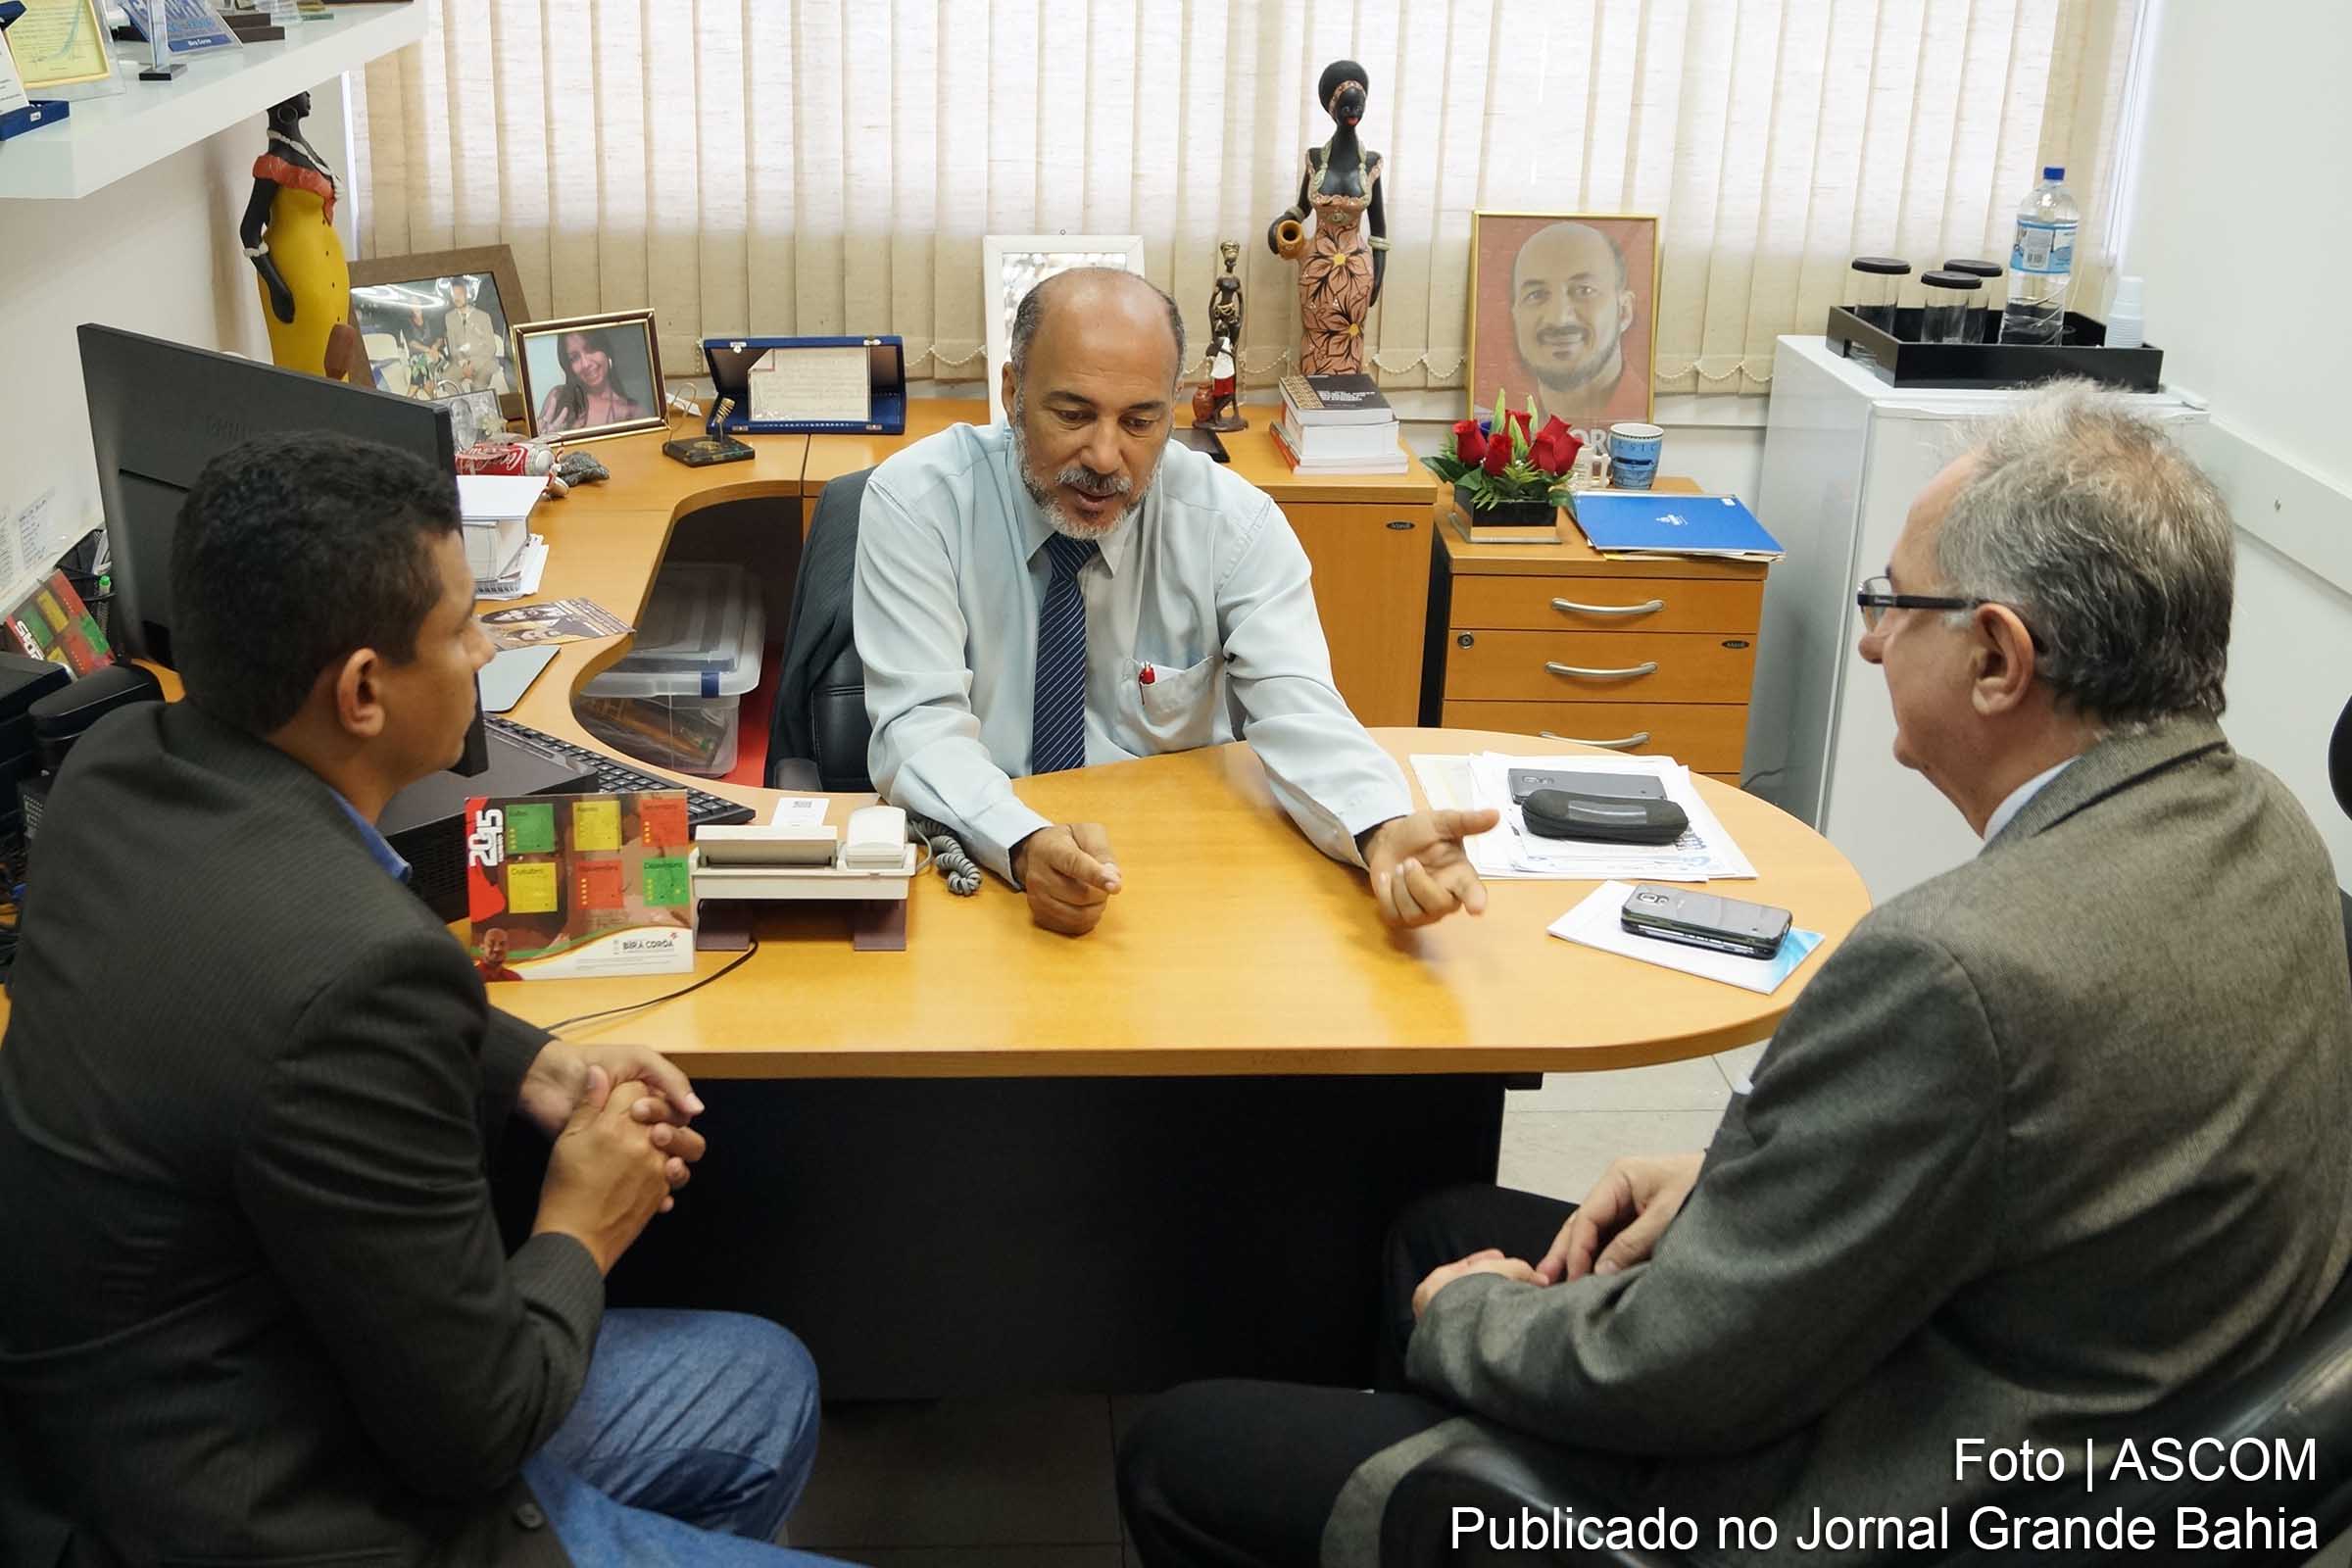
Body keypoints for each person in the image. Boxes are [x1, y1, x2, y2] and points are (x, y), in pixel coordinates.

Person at [1116, 383, 2352, 1564]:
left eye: (1893, 601)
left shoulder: (1959, 970)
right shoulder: (2274, 835)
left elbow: (1674, 1370)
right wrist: (1738, 1176)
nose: (1868, 642)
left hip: (1864, 1495)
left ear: (1998, 659)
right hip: (2075, 1412)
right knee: (1441, 1222)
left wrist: (1469, 1319)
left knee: (1187, 1445)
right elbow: (2052, 1147)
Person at [0, 433, 843, 1567]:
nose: (490, 643)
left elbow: (272, 1005)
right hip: (284, 1514)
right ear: (361, 691)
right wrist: (582, 1223)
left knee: (763, 1381)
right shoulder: (361, 971)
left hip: (127, 1425)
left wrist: (534, 1065)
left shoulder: (112, 768)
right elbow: (478, 1429)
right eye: (463, 625)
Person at [855, 267, 1496, 938]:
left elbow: (1302, 712)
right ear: (1013, 394)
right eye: (1072, 415)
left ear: (1175, 408)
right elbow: (917, 729)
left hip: (1180, 885)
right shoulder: (919, 504)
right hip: (987, 865)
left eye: (1139, 421)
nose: (1105, 456)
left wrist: (1379, 828)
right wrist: (1021, 842)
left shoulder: (1234, 526)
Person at [1506, 220, 1638, 426]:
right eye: (1536, 294)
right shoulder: (1502, 428)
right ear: (1516, 316)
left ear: (1624, 312)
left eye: (1584, 290)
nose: (1558, 319)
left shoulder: (1643, 422)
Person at [539, 329, 651, 432]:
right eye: (574, 358)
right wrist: (542, 441)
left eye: (590, 349)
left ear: (606, 350)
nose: (585, 364)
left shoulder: (631, 411)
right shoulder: (558, 396)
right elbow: (535, 443)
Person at [445, 275, 509, 395]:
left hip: (484, 361)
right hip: (462, 362)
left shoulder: (483, 316)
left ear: (467, 294)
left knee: (478, 385)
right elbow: (453, 347)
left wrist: (473, 364)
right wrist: (464, 364)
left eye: (459, 294)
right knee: (447, 377)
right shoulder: (449, 317)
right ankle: (463, 403)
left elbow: (491, 347)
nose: (456, 298)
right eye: (454, 295)